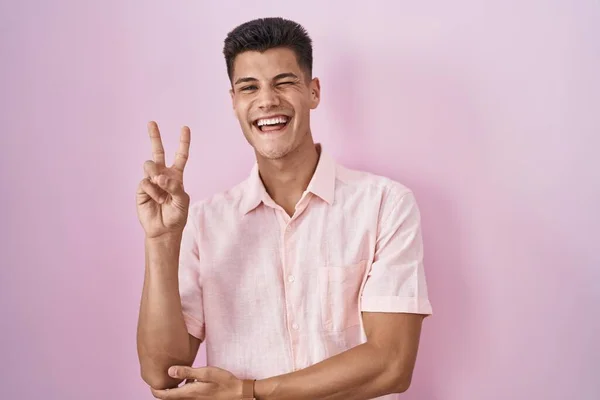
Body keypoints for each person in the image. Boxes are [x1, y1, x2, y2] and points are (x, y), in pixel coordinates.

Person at [136, 17, 433, 400]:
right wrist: (161, 240)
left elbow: (392, 365)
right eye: (249, 87)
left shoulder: (384, 205)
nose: (267, 101)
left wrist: (251, 392)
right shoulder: (204, 223)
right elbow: (162, 375)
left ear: (313, 92)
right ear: (234, 103)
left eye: (284, 82)